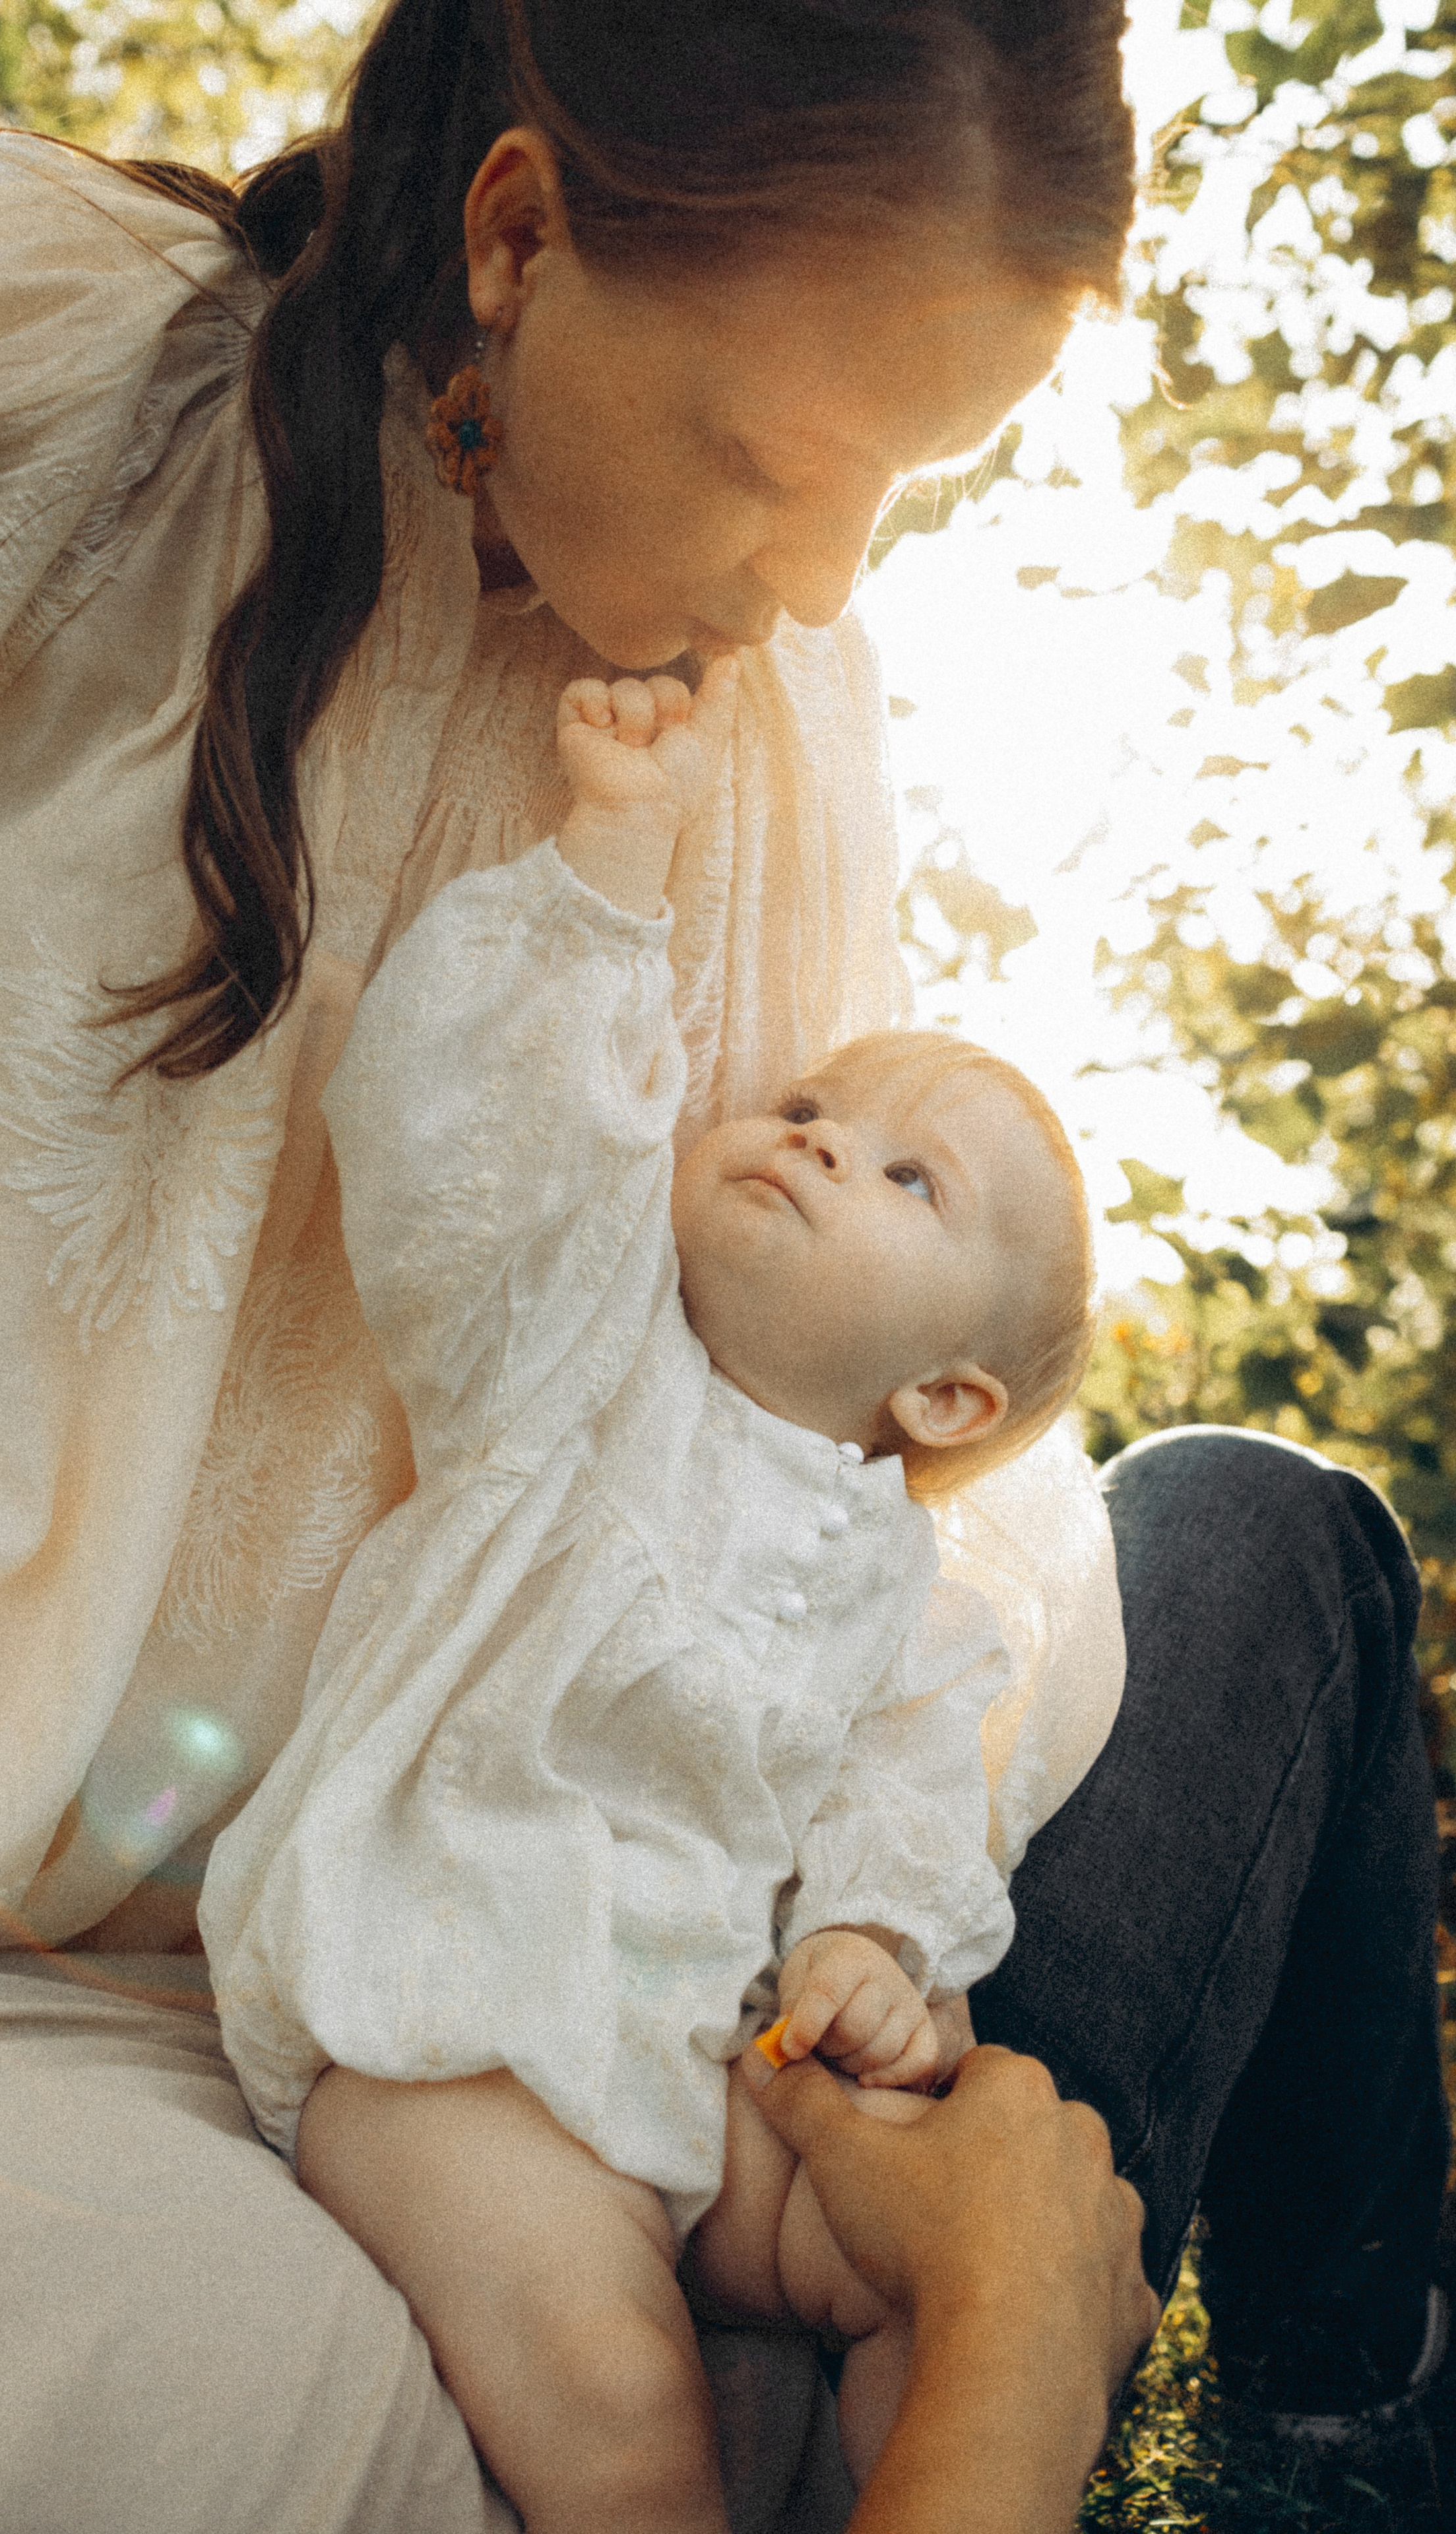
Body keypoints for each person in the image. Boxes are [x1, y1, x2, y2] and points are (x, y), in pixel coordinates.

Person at [0, 3, 1445, 2527]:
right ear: (521, 235)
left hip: (606, 1883)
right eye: (785, 460)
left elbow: (769, 1431)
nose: (824, 582)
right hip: (89, 1923)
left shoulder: (768, 720)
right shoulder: (47, 381)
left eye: (912, 493)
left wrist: (850, 1944)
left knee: (1256, 1541)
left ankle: (1356, 2410)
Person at [200, 658, 1098, 2520]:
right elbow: (471, 1152)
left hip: (699, 2056)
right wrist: (612, 870)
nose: (818, 1138)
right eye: (809, 1105)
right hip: (454, 2043)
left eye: (907, 1176)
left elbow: (900, 1802)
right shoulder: (578, 1359)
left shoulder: (912, 1606)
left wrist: (870, 1951)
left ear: (944, 1398)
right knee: (622, 2414)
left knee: (916, 2269)